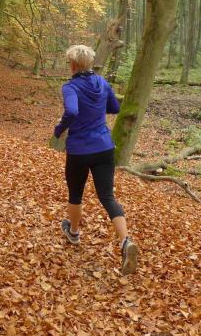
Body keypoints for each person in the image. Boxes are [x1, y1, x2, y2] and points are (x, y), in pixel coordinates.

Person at [53, 44, 138, 275]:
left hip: (79, 150)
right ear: (89, 63)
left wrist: (59, 129)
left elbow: (72, 112)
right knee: (107, 196)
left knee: (75, 194)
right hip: (104, 147)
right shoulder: (102, 83)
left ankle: (74, 233)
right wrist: (95, 109)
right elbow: (115, 107)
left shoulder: (70, 87)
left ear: (73, 65)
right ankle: (125, 241)